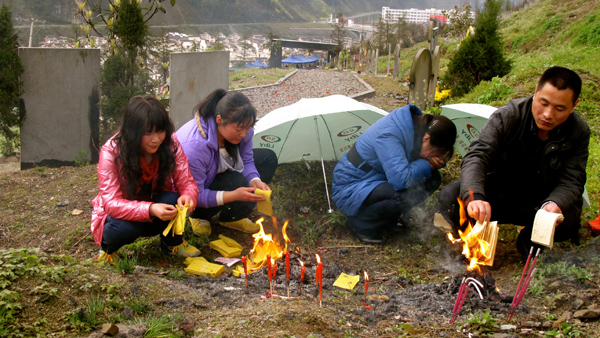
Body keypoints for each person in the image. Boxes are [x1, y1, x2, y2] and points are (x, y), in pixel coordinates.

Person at [437, 66, 589, 258]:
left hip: (539, 202)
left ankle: (528, 240)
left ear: (574, 105)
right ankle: (473, 242)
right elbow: (477, 155)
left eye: (560, 108)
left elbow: (573, 179)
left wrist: (554, 203)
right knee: (451, 197)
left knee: (568, 220)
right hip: (501, 193)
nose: (548, 114)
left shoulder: (578, 131)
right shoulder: (509, 116)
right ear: (536, 91)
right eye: (543, 103)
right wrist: (475, 195)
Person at [91, 95, 201, 264]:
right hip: (124, 216)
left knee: (174, 201)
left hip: (155, 208)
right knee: (124, 228)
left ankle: (172, 244)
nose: (156, 139)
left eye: (160, 131)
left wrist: (188, 196)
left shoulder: (170, 144)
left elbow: (186, 181)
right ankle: (107, 250)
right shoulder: (111, 151)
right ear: (132, 132)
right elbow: (111, 203)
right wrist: (150, 209)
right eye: (147, 133)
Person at [332, 104, 457, 244]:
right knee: (401, 195)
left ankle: (387, 221)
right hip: (353, 184)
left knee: (432, 178)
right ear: (426, 138)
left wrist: (431, 164)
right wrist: (427, 164)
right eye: (434, 154)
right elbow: (400, 180)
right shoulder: (389, 134)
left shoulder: (417, 127)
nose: (432, 157)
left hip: (378, 177)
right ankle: (362, 224)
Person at [176, 89, 278, 235]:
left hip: (220, 173)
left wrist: (255, 180)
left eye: (247, 127)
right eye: (239, 129)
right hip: (194, 191)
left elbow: (247, 160)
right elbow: (194, 193)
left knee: (267, 158)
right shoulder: (196, 145)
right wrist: (234, 195)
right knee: (236, 180)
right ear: (219, 120)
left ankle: (232, 216)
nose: (243, 134)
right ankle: (199, 215)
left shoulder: (243, 133)